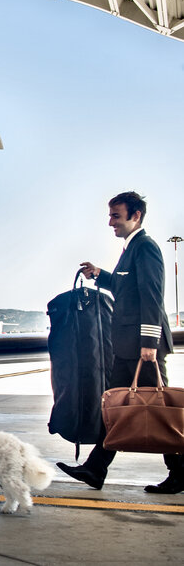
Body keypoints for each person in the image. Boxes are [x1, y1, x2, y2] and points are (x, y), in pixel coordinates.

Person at [57, 191, 182, 494]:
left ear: (135, 215)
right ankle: (95, 468)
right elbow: (125, 288)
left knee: (160, 409)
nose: (110, 221)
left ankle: (180, 472)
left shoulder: (145, 248)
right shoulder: (131, 249)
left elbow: (152, 295)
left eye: (116, 215)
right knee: (113, 407)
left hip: (143, 347)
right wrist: (100, 275)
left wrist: (149, 344)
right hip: (127, 346)